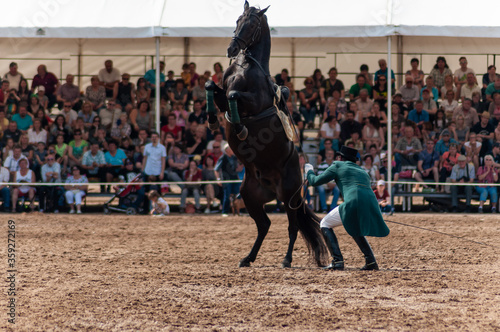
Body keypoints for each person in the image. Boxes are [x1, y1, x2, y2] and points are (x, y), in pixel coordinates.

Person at [305, 145, 390, 270]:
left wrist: (309, 170)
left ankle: (337, 261)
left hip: (354, 201)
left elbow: (314, 181)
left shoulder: (337, 165)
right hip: (371, 202)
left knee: (325, 223)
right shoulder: (363, 171)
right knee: (355, 226)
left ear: (340, 157)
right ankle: (371, 261)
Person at [215, 144, 240, 217]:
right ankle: (225, 211)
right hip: (226, 180)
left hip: (235, 179)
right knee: (227, 195)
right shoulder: (223, 158)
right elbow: (216, 169)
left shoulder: (234, 158)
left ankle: (236, 211)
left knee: (237, 195)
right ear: (227, 150)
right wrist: (218, 179)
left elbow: (236, 169)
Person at [315, 149, 340, 213]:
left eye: (331, 154)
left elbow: (338, 176)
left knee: (338, 189)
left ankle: (332, 208)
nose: (330, 155)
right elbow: (320, 177)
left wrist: (334, 183)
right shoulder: (321, 165)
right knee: (321, 189)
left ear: (333, 155)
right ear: (325, 155)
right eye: (328, 154)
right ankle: (324, 209)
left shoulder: (336, 165)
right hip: (323, 183)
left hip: (334, 184)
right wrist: (328, 182)